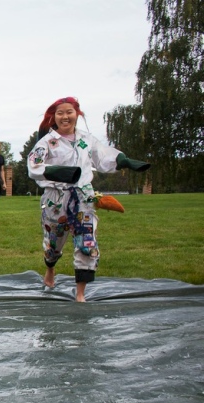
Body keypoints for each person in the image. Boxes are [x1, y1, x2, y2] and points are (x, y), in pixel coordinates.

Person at [27, 96, 150, 302]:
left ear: (77, 114)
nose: (65, 116)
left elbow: (103, 156)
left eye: (69, 112)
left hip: (83, 197)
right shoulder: (47, 142)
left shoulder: (86, 139)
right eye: (60, 113)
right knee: (53, 244)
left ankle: (80, 294)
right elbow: (34, 166)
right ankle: (50, 268)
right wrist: (61, 173)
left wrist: (123, 160)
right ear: (54, 117)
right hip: (56, 200)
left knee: (87, 242)